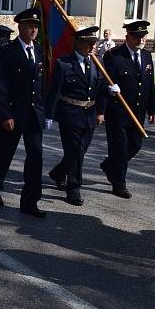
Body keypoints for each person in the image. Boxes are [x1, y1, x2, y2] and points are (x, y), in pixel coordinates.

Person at [0, 7, 46, 218]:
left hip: (34, 114)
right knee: (4, 153)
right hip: (13, 113)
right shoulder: (6, 52)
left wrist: (45, 112)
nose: (33, 30)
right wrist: (5, 115)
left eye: (36, 26)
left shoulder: (39, 51)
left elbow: (41, 84)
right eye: (29, 25)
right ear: (19, 26)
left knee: (36, 157)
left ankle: (30, 201)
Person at [44, 26, 107, 206]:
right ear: (79, 43)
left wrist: (109, 93)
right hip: (70, 114)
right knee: (75, 151)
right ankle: (74, 189)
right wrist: (49, 114)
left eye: (94, 43)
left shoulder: (96, 63)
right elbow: (54, 91)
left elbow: (100, 88)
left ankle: (58, 172)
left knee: (80, 151)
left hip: (89, 114)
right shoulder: (64, 64)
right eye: (89, 43)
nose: (93, 47)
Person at [99, 20, 155, 199]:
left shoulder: (147, 56)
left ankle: (110, 166)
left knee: (135, 145)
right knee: (120, 149)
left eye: (143, 36)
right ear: (128, 37)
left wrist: (153, 109)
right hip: (118, 112)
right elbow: (104, 84)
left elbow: (150, 85)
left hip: (137, 112)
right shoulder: (114, 56)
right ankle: (119, 183)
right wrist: (101, 109)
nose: (141, 39)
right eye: (137, 36)